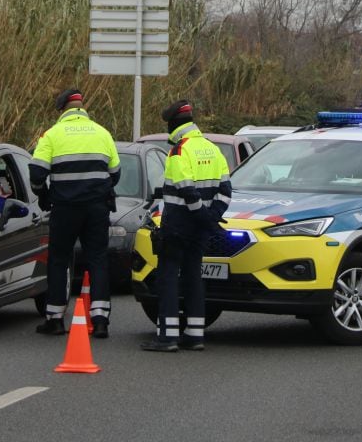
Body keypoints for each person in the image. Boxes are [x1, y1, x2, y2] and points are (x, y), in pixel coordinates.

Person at [141, 99, 232, 352]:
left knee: (168, 276)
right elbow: (225, 191)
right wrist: (212, 218)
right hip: (201, 227)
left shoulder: (179, 151)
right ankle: (195, 334)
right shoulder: (214, 150)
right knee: (194, 275)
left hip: (179, 223)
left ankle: (167, 337)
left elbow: (186, 191)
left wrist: (202, 215)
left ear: (173, 125)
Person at [29, 88, 120, 338]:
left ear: (63, 110)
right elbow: (115, 173)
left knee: (59, 260)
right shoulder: (102, 133)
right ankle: (100, 320)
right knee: (98, 259)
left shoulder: (52, 134)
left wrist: (44, 194)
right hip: (96, 208)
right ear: (82, 108)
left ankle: (55, 319)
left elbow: (36, 174)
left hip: (65, 208)